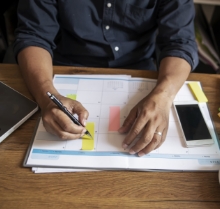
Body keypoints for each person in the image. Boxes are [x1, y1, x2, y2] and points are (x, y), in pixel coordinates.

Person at [14, 0, 198, 157]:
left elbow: (180, 42)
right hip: (65, 67)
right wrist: (47, 97)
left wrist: (164, 96)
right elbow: (33, 35)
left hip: (139, 68)